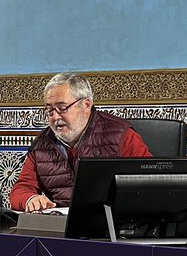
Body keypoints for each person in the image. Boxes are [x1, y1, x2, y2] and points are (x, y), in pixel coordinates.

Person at [10, 72, 150, 212]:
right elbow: (20, 190)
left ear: (86, 105)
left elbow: (150, 184)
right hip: (60, 228)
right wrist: (30, 199)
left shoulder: (121, 136)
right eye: (50, 110)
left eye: (62, 108)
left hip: (111, 226)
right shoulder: (42, 144)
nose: (55, 117)